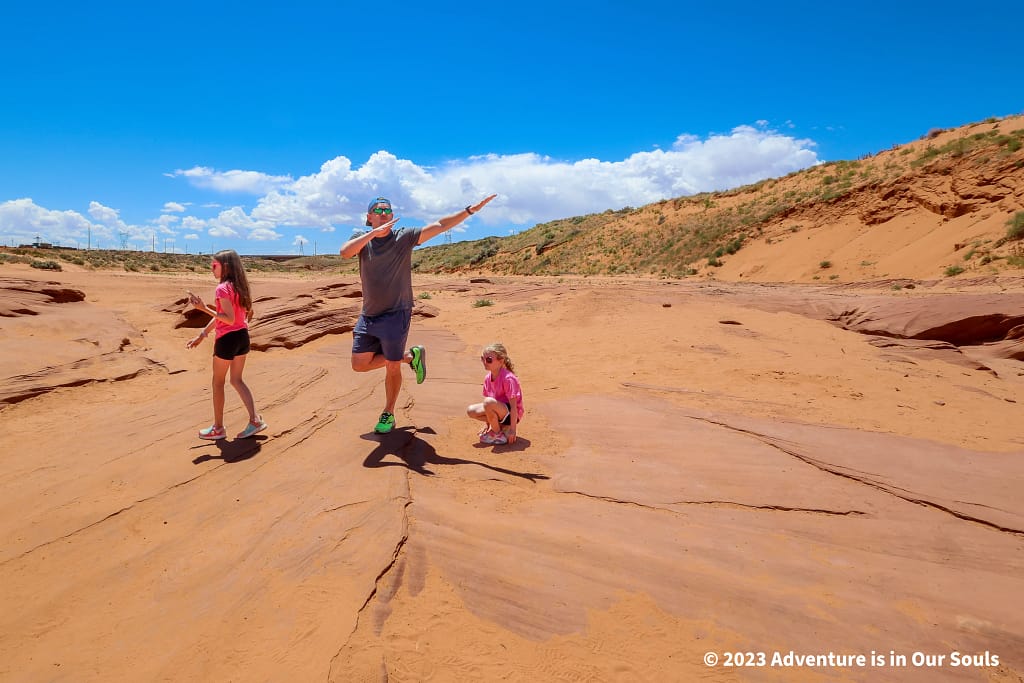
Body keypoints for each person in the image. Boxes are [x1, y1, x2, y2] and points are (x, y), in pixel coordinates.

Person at [341, 194, 497, 434]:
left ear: (392, 216)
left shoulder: (404, 236)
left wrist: (469, 210)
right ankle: (410, 357)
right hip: (369, 314)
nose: (383, 214)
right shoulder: (360, 239)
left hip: (396, 313)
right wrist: (373, 233)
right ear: (369, 217)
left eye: (387, 211)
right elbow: (345, 253)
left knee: (391, 367)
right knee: (359, 365)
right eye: (378, 211)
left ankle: (388, 412)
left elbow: (440, 226)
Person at [186, 249, 267, 440]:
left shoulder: (222, 289)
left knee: (218, 382)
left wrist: (203, 308)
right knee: (237, 380)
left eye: (214, 266)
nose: (211, 269)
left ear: (226, 267)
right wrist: (203, 334)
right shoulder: (239, 287)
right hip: (242, 337)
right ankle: (255, 420)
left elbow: (227, 319)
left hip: (227, 340)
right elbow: (228, 318)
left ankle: (218, 428)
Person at [467, 342, 523, 445]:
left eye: (488, 360)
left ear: (501, 361)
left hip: (511, 414)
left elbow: (514, 407)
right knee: (471, 411)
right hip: (498, 410)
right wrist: (488, 424)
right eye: (482, 359)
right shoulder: (488, 378)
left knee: (488, 402)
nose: (485, 362)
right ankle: (499, 428)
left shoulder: (508, 378)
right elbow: (489, 407)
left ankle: (498, 434)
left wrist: (513, 430)